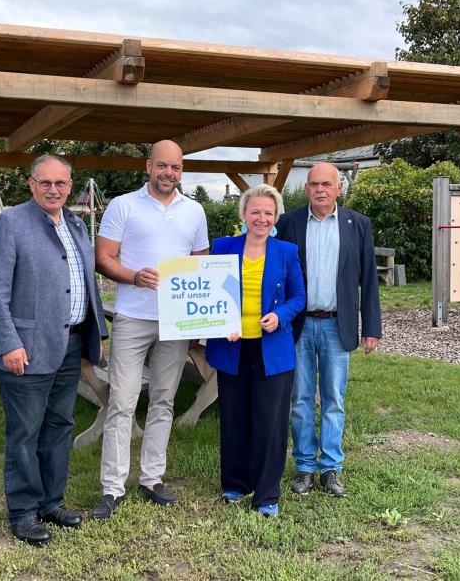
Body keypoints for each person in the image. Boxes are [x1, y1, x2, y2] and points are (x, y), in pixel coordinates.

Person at [0, 154, 109, 545]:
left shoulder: (74, 223)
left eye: (61, 183)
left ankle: (50, 502)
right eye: (46, 183)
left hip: (70, 344)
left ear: (70, 186)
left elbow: (87, 283)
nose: (54, 190)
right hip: (27, 347)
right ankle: (23, 512)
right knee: (25, 432)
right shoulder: (10, 224)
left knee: (59, 426)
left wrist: (97, 333)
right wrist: (8, 343)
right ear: (31, 184)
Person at [93, 140, 209, 520]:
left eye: (175, 168)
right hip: (132, 316)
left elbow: (200, 268)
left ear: (181, 170)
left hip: (176, 320)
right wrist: (133, 276)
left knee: (163, 400)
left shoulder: (194, 211)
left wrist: (198, 320)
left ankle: (152, 478)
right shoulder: (122, 205)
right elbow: (103, 258)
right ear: (148, 166)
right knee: (122, 401)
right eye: (162, 166)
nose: (168, 174)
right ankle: (113, 487)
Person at [275, 162, 382, 498]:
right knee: (300, 398)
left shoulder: (358, 225)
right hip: (299, 326)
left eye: (326, 184)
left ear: (339, 188)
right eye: (313, 184)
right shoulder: (289, 222)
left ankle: (330, 468)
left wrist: (372, 327)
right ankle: (305, 466)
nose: (319, 190)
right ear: (306, 188)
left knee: (334, 398)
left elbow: (369, 279)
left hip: (339, 324)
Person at [206, 184, 305, 517]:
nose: (261, 218)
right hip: (232, 346)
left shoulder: (287, 252)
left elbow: (298, 298)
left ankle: (266, 495)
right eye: (255, 212)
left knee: (270, 422)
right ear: (244, 214)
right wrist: (220, 324)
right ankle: (235, 483)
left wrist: (280, 315)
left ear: (275, 217)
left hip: (272, 349)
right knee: (233, 417)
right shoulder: (222, 247)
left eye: (268, 213)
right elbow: (209, 294)